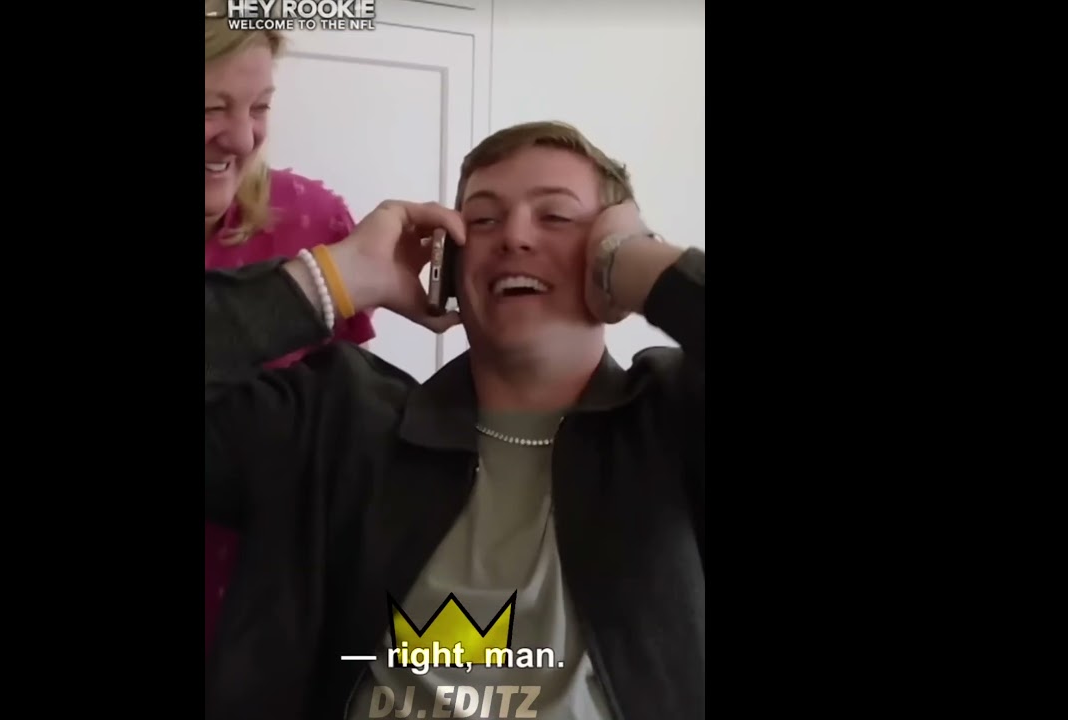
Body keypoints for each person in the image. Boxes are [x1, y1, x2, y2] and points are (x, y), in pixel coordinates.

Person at [204, 121, 704, 720]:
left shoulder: (673, 422)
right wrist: (338, 277)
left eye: (556, 216)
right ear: (452, 262)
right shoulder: (336, 421)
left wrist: (641, 261)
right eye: (483, 219)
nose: (513, 236)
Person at [203, 8, 374, 660]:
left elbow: (347, 426)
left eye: (260, 107)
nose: (242, 138)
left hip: (273, 627)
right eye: (210, 108)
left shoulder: (312, 222)